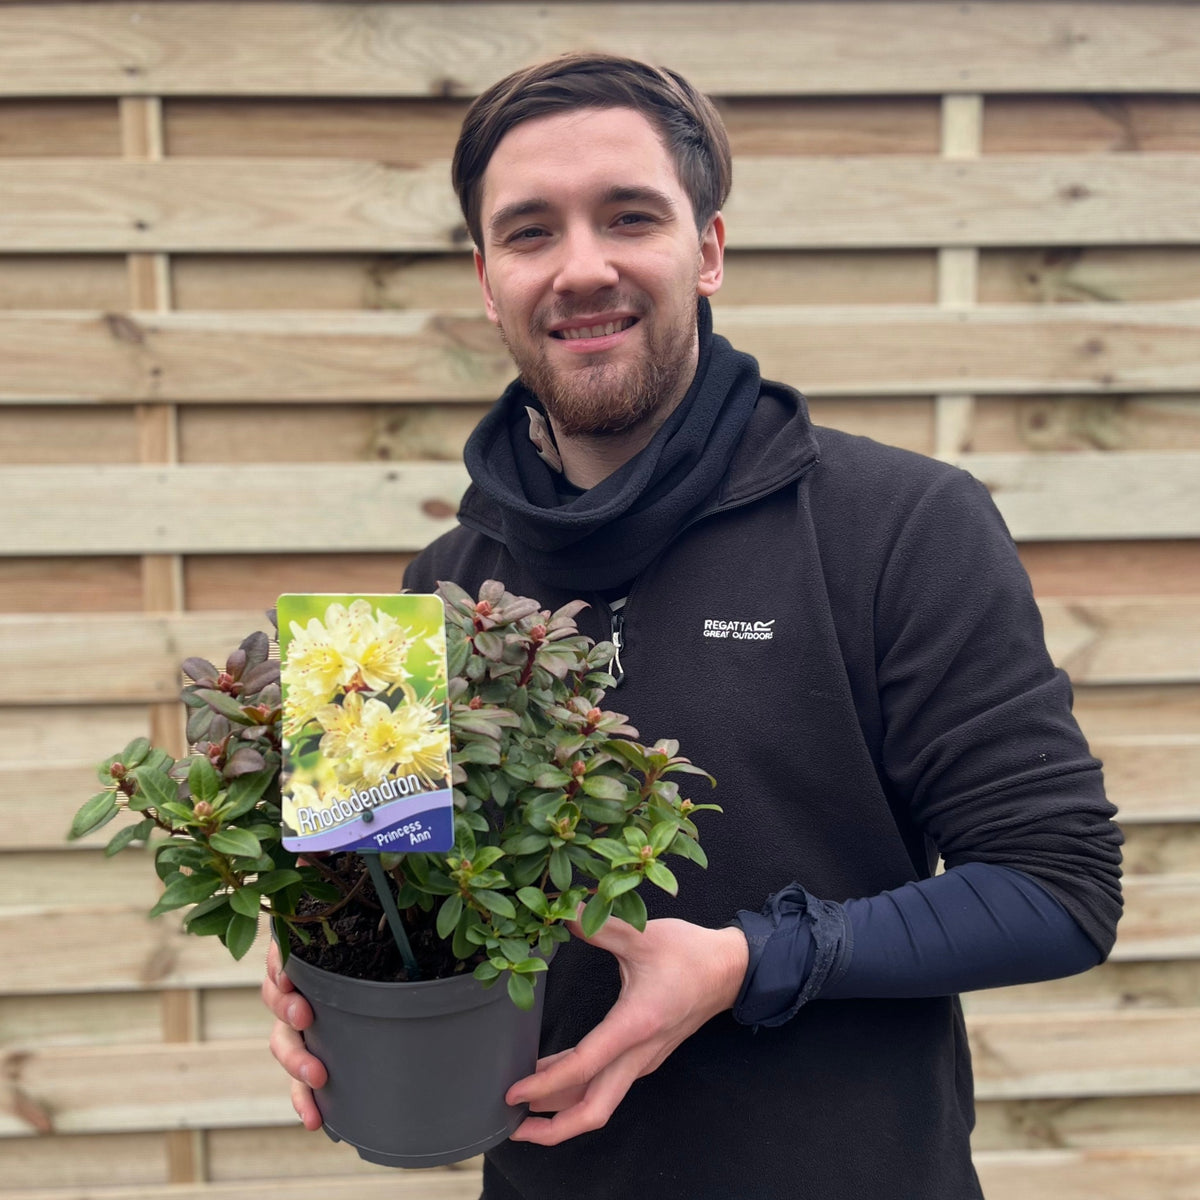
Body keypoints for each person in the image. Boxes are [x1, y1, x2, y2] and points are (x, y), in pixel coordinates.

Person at [263, 54, 1123, 1199]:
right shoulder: (439, 584)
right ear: (485, 278)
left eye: (629, 216)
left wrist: (746, 962)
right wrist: (317, 964)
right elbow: (384, 899)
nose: (583, 267)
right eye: (530, 233)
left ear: (708, 247)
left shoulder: (902, 523)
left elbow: (1060, 889)